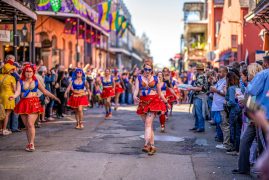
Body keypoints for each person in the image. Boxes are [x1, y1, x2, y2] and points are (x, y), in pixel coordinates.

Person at [10, 64, 60, 152]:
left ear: (33, 72)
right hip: (23, 104)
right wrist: (13, 96)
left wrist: (54, 97)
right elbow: (18, 92)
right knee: (27, 126)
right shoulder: (20, 81)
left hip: (34, 103)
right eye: (27, 71)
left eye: (30, 71)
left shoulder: (36, 81)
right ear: (24, 72)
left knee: (30, 124)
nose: (28, 73)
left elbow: (44, 91)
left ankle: (32, 143)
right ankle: (29, 143)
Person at [233, 58, 269, 175]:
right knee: (246, 141)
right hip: (258, 115)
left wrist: (245, 87)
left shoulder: (263, 74)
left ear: (266, 63)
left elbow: (251, 91)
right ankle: (244, 168)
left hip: (261, 115)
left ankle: (262, 171)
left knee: (263, 145)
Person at [133, 60, 168, 156]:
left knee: (148, 124)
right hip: (143, 103)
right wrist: (134, 96)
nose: (147, 71)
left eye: (149, 69)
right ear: (143, 69)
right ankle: (152, 145)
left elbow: (160, 93)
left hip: (153, 102)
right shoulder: (139, 78)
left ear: (152, 70)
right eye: (146, 69)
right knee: (148, 125)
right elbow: (136, 90)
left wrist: (166, 102)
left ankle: (145, 145)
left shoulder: (156, 79)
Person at [210, 66, 230, 149]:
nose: (219, 73)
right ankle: (224, 142)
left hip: (222, 106)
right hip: (217, 106)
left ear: (226, 72)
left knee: (225, 125)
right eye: (218, 71)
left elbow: (225, 94)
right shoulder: (220, 80)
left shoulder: (226, 81)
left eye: (221, 72)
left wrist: (216, 91)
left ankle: (226, 144)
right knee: (221, 124)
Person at [188, 63, 208, 133]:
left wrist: (190, 88)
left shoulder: (201, 76)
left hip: (200, 96)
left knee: (199, 113)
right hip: (199, 96)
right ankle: (197, 126)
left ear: (199, 69)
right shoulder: (201, 75)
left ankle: (201, 127)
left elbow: (199, 88)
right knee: (197, 113)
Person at [225, 71, 242, 155]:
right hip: (239, 110)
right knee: (238, 130)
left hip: (233, 111)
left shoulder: (231, 88)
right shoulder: (239, 86)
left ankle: (234, 148)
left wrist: (226, 103)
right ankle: (237, 148)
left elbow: (231, 101)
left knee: (233, 129)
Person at [0, 63, 16, 135]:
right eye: (12, 69)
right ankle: (4, 129)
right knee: (7, 114)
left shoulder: (0, 76)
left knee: (1, 113)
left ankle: (0, 129)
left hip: (1, 96)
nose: (13, 70)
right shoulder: (11, 78)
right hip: (9, 97)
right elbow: (15, 90)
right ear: (9, 70)